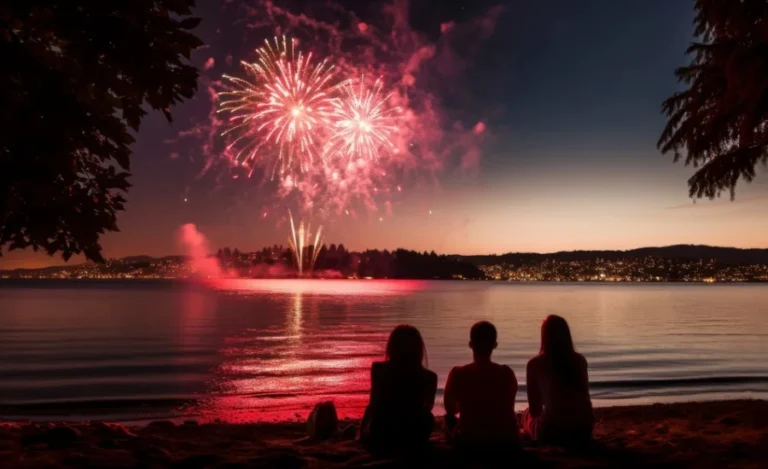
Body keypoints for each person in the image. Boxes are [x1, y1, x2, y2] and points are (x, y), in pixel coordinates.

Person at [360, 325, 437, 452]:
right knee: (428, 418)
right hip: (413, 437)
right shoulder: (430, 377)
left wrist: (363, 429)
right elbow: (427, 409)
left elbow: (373, 404)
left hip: (382, 434)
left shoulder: (378, 369)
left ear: (392, 347)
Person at [444, 321, 519, 450]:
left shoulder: (458, 373)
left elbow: (451, 410)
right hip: (505, 440)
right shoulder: (506, 373)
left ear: (470, 344)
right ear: (495, 345)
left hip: (470, 441)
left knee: (448, 419)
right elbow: (509, 406)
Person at [523, 315, 593, 444]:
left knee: (526, 414)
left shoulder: (535, 364)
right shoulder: (580, 360)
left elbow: (535, 409)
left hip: (552, 432)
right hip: (584, 429)